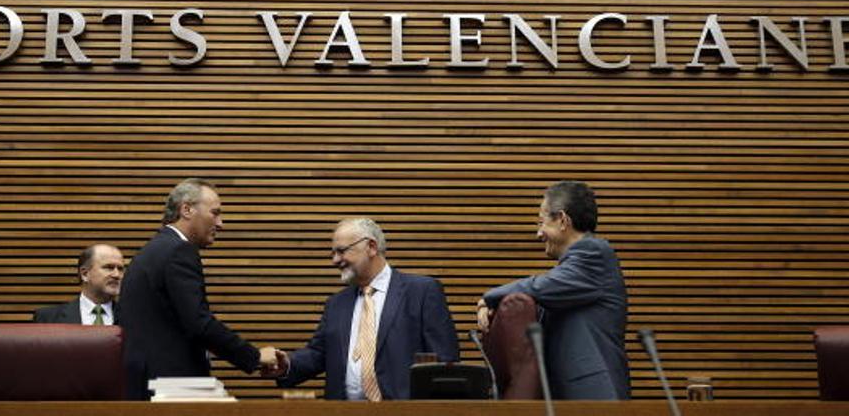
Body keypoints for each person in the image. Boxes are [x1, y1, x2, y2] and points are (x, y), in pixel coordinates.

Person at [261, 218, 460, 400]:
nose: (335, 260)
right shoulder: (336, 304)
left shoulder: (422, 292)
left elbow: (444, 363)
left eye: (341, 251)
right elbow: (318, 354)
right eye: (333, 253)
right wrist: (287, 364)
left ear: (371, 247)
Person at [119, 178, 275, 400]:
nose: (221, 223)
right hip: (172, 389)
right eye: (215, 213)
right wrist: (255, 356)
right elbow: (199, 323)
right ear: (187, 210)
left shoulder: (152, 251)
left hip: (146, 385)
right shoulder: (178, 251)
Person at [477, 180, 630, 400]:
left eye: (542, 222)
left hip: (595, 396)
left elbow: (539, 286)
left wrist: (489, 298)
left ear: (562, 220)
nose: (538, 234)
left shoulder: (593, 254)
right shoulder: (570, 274)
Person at [33, 243, 124, 325]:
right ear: (85, 274)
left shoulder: (133, 317)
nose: (117, 275)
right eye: (108, 268)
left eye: (120, 269)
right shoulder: (48, 319)